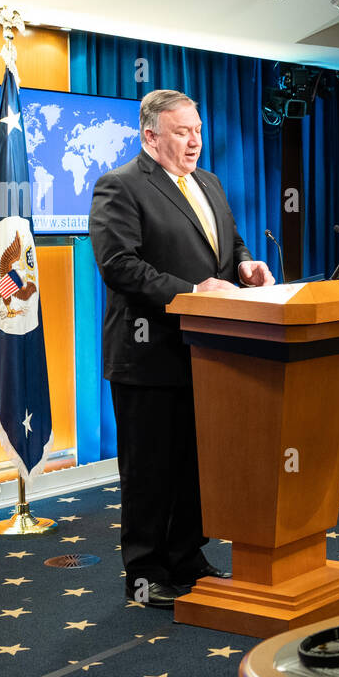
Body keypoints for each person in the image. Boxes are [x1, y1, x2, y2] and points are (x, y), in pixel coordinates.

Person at [89, 89, 274, 608]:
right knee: (151, 472)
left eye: (197, 130)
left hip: (210, 354)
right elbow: (118, 265)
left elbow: (227, 244)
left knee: (197, 465)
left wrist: (244, 265)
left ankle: (188, 557)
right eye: (181, 132)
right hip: (149, 357)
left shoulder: (209, 183)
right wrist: (192, 292)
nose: (194, 141)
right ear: (150, 136)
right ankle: (146, 574)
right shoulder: (120, 186)